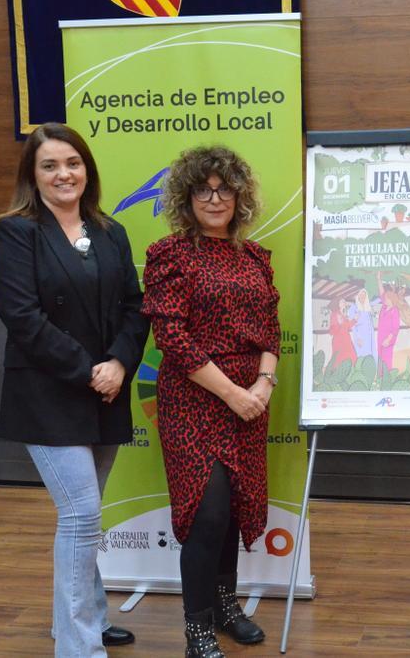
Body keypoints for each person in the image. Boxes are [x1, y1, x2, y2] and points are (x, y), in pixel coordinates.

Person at [0, 122, 147, 657]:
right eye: (50, 165)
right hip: (50, 393)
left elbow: (135, 306)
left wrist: (121, 363)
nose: (64, 174)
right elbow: (22, 318)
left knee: (86, 513)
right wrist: (90, 369)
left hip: (106, 389)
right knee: (81, 514)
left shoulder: (111, 230)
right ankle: (80, 648)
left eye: (73, 163)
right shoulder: (17, 232)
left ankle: (86, 620)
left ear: (88, 169)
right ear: (32, 177)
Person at [141, 146, 279, 658]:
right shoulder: (170, 255)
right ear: (187, 197)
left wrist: (263, 387)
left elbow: (271, 331)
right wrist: (234, 393)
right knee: (208, 512)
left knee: (235, 507)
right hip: (194, 402)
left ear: (239, 195)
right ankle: (196, 627)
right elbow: (171, 339)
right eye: (204, 189)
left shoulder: (256, 258)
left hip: (249, 402)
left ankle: (226, 606)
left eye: (224, 188)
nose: (215, 198)